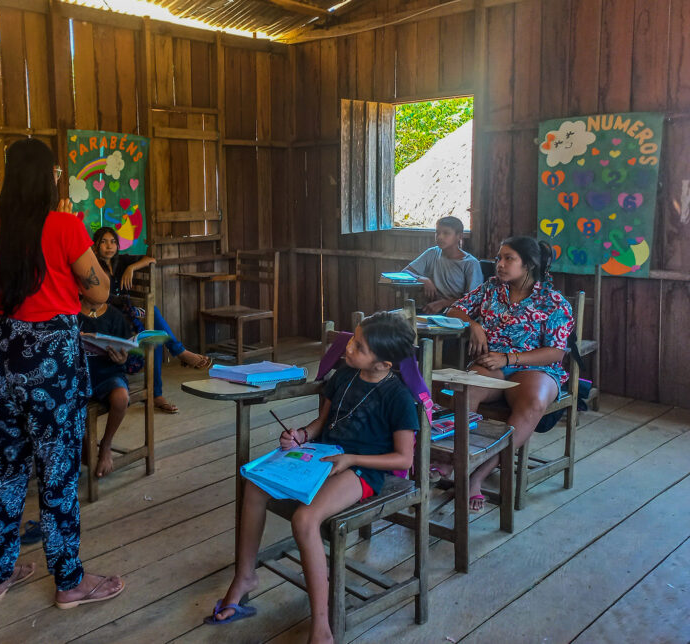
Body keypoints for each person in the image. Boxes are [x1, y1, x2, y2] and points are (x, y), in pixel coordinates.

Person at [0, 138, 124, 609]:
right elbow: (99, 293)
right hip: (50, 362)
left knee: (7, 468)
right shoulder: (63, 226)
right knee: (57, 472)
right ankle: (69, 582)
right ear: (49, 177)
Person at [207, 312, 418, 644]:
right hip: (321, 456)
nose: (348, 347)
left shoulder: (398, 397)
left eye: (359, 346)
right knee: (254, 484)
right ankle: (245, 577)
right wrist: (302, 435)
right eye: (353, 339)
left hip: (363, 470)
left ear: (384, 363)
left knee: (305, 519)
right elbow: (323, 422)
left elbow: (404, 458)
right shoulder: (346, 374)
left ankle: (321, 623)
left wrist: (351, 458)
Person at [435, 235, 574, 512]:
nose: (499, 264)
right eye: (499, 258)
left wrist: (510, 357)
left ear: (529, 265)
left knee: (533, 402)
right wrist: (474, 324)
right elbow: (454, 310)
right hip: (493, 365)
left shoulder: (552, 301)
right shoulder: (490, 289)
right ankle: (452, 461)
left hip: (537, 368)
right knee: (466, 389)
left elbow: (556, 352)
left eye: (509, 258)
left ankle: (477, 476)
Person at [91, 226, 212, 414]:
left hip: (127, 315)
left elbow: (151, 259)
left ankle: (157, 393)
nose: (109, 246)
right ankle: (179, 352)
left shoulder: (120, 261)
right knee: (151, 317)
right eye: (104, 242)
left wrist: (131, 267)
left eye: (113, 241)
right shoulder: (92, 266)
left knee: (152, 332)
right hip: (108, 320)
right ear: (95, 245)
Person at [78, 296, 134, 478]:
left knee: (121, 398)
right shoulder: (70, 313)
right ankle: (84, 441)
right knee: (64, 398)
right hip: (79, 376)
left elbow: (130, 353)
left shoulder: (115, 316)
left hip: (109, 375)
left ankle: (106, 445)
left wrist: (124, 358)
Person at [403, 216, 483, 313]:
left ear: (459, 236)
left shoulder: (470, 263)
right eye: (437, 233)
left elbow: (473, 300)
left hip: (456, 314)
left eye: (446, 233)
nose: (440, 237)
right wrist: (423, 279)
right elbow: (405, 272)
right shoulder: (432, 253)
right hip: (429, 310)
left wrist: (442, 303)